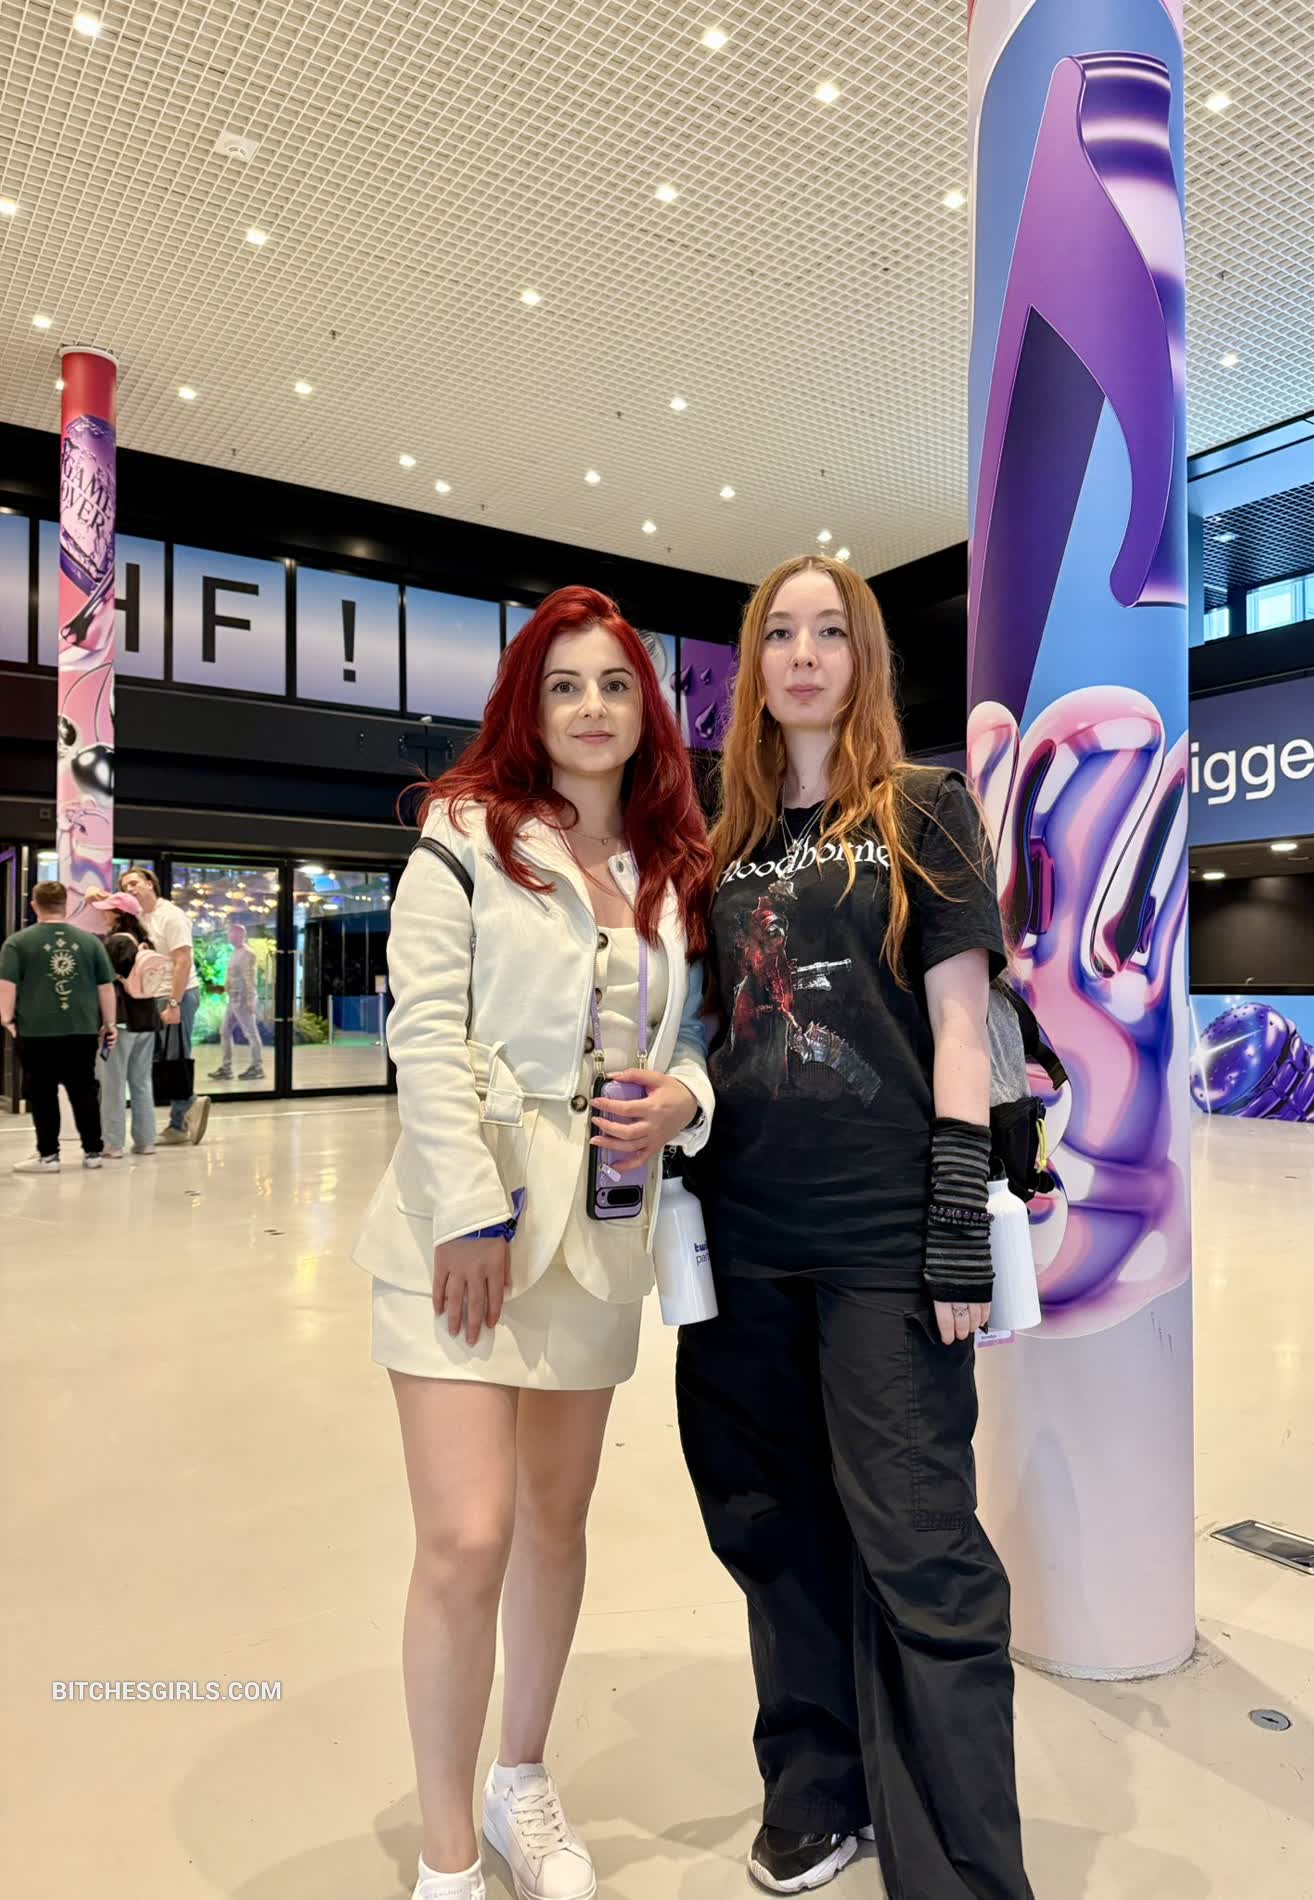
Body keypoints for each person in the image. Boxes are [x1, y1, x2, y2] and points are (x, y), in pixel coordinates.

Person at [677, 557, 1034, 1900]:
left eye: (832, 631)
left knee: (923, 1547)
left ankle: (959, 1867)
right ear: (756, 665)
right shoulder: (723, 841)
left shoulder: (926, 811)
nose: (805, 653)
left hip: (886, 1244)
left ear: (865, 658)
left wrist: (955, 1219)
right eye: (781, 633)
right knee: (773, 1531)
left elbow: (961, 1028)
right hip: (745, 1247)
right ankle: (814, 1793)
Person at [352, 585, 715, 1900]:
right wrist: (467, 1210)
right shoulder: (462, 834)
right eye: (563, 684)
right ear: (526, 703)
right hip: (465, 1235)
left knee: (556, 1526)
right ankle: (446, 1854)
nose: (591, 707)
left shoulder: (673, 867)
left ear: (646, 709)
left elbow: (700, 1040)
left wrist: (687, 1102)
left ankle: (522, 1779)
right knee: (467, 1536)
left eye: (614, 683)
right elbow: (424, 1033)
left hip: (602, 1240)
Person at [0, 879, 117, 1174]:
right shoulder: (91, 942)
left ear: (34, 905)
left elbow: (7, 986)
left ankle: (49, 1155)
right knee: (84, 1089)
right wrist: (109, 1023)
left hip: (35, 1031)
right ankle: (93, 1151)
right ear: (65, 905)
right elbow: (106, 987)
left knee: (42, 1092)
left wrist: (6, 1019)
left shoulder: (17, 943)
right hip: (82, 1029)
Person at [118, 867, 210, 1146]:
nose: (130, 889)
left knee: (175, 1056)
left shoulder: (171, 916)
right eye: (125, 886)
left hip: (177, 994)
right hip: (153, 995)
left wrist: (174, 1003)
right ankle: (186, 1107)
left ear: (150, 883)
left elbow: (183, 961)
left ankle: (180, 1122)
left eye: (134, 883)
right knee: (159, 1058)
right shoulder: (139, 916)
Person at [92, 893, 162, 1157]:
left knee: (113, 1082)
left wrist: (105, 1021)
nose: (103, 914)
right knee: (141, 1082)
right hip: (146, 1019)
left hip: (120, 1021)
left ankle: (112, 1143)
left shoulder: (115, 942)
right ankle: (146, 1141)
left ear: (119, 914)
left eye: (108, 910)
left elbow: (104, 983)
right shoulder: (145, 942)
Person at [209, 920, 265, 1082]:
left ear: (240, 935)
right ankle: (226, 1068)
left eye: (231, 933)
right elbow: (234, 977)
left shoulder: (248, 953)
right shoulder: (235, 952)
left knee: (251, 1033)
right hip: (233, 999)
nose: (229, 936)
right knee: (225, 1031)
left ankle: (257, 1067)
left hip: (243, 1000)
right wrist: (222, 988)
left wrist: (251, 999)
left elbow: (250, 978)